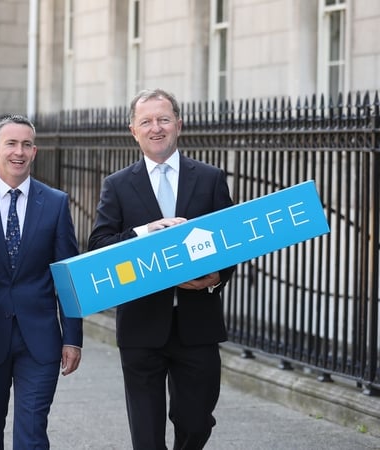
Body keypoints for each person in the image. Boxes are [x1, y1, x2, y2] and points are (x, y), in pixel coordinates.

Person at [87, 88, 234, 450]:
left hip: (197, 325)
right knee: (147, 437)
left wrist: (217, 278)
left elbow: (230, 241)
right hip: (141, 325)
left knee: (196, 422)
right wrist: (144, 231)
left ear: (178, 125)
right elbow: (99, 246)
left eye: (164, 119)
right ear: (133, 131)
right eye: (147, 121)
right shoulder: (117, 185)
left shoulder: (210, 178)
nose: (156, 128)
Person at [0, 114, 83, 449]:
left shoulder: (56, 203)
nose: (19, 151)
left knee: (32, 435)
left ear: (34, 151)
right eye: (11, 144)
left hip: (40, 340)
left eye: (26, 145)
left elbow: (67, 275)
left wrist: (73, 338)